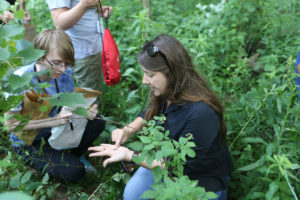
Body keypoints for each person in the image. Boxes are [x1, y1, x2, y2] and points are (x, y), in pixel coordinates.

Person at [88, 35, 233, 200]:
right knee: (133, 195)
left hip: (200, 180)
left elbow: (177, 167)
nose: (144, 81)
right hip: (164, 159)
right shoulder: (166, 91)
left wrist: (130, 155)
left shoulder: (202, 113)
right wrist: (128, 130)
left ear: (171, 72)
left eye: (149, 75)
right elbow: (149, 113)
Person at [4, 29, 105, 182]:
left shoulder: (65, 74)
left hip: (55, 131)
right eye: (57, 63)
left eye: (66, 63)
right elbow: (11, 125)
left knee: (98, 121)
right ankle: (54, 160)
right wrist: (53, 121)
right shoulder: (19, 81)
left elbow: (66, 104)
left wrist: (82, 111)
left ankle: (74, 154)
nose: (62, 69)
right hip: (30, 142)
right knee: (76, 171)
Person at [46, 0, 112, 104]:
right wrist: (84, 4)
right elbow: (60, 22)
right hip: (83, 53)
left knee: (93, 97)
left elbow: (76, 10)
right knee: (90, 105)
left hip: (92, 49)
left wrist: (98, 13)